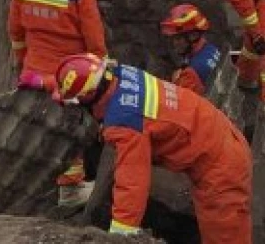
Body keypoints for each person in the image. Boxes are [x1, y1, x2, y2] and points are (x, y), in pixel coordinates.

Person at [54, 54, 252, 242]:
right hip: (218, 138)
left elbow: (132, 182)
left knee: (225, 237)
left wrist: (120, 234)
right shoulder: (122, 75)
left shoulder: (125, 122)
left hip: (220, 163)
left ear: (88, 98)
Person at [9, 0, 107, 207]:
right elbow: (95, 41)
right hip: (68, 76)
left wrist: (22, 64)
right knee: (69, 133)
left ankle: (30, 183)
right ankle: (69, 192)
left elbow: (15, 30)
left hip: (32, 72)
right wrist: (101, 72)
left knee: (35, 126)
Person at [135, 0, 265, 99]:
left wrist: (256, 33)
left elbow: (242, 1)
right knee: (252, 48)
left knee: (259, 42)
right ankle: (246, 85)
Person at [160, 4, 221, 95]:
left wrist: (176, 81)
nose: (174, 43)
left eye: (178, 38)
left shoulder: (190, 75)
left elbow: (180, 105)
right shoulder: (211, 49)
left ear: (193, 36)